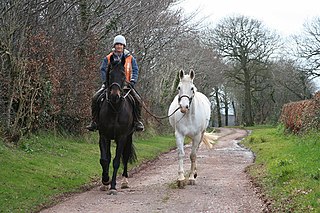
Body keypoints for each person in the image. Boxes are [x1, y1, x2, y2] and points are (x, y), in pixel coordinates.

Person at [86, 35, 144, 132]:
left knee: (138, 100)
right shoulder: (108, 58)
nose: (119, 46)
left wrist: (133, 81)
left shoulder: (130, 58)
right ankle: (94, 121)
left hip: (126, 86)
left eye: (121, 44)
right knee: (95, 98)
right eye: (117, 44)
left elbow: (135, 70)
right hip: (110, 85)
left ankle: (137, 121)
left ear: (124, 46)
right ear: (114, 46)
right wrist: (106, 82)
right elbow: (103, 70)